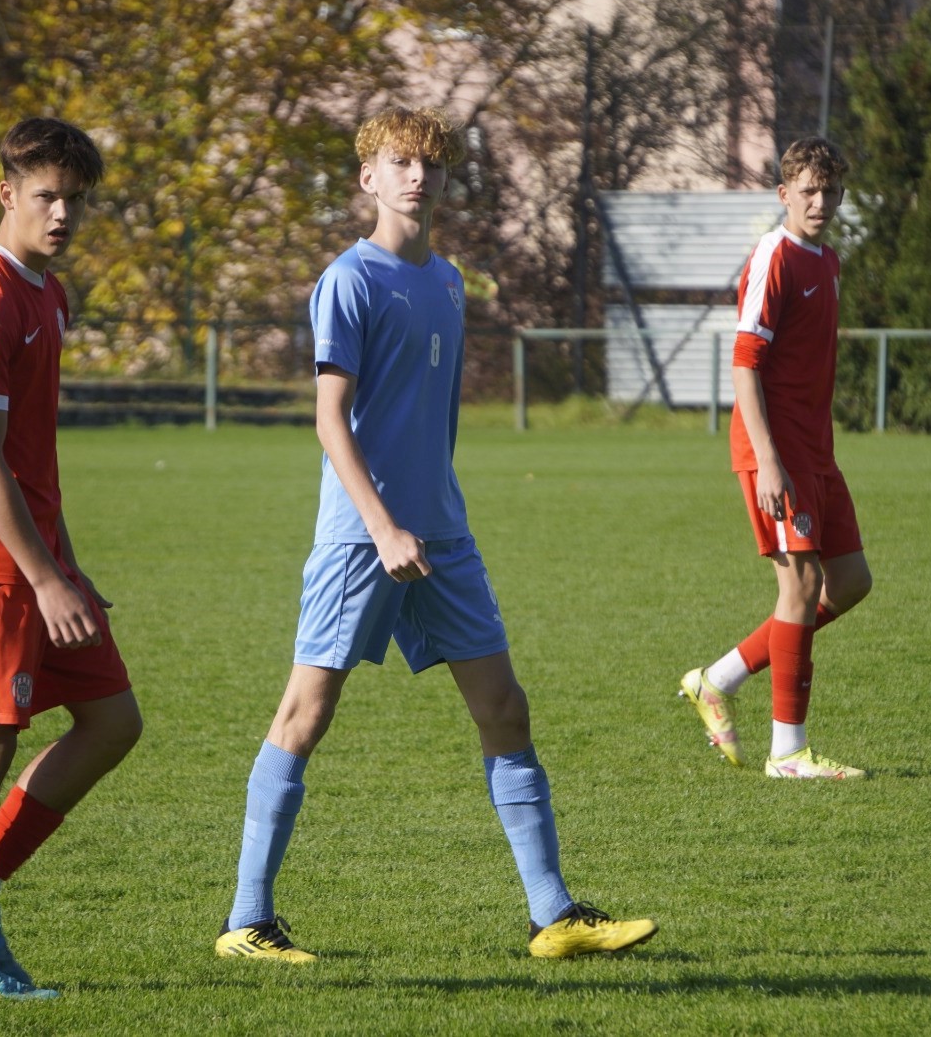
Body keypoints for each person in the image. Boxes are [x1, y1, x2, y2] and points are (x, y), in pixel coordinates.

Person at [216, 105, 657, 963]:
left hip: (442, 536)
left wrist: (429, 516)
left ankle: (553, 916)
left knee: (505, 708)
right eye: (400, 162)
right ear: (368, 178)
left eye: (433, 165)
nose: (419, 176)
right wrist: (381, 526)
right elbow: (329, 420)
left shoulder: (449, 283)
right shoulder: (349, 280)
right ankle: (246, 921)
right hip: (361, 537)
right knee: (305, 714)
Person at [0, 117, 143, 1001]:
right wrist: (44, 576)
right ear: (7, 192)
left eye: (74, 200)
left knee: (112, 721)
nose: (61, 215)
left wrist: (68, 566)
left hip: (39, 556)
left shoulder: (48, 290)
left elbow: (39, 458)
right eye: (45, 196)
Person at [679, 136, 873, 781]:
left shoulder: (829, 262)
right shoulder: (775, 254)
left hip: (817, 450)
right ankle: (788, 752)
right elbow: (744, 363)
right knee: (800, 587)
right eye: (807, 191)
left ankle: (718, 679)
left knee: (849, 583)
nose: (819, 203)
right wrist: (767, 459)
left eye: (830, 192)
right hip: (776, 451)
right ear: (784, 193)